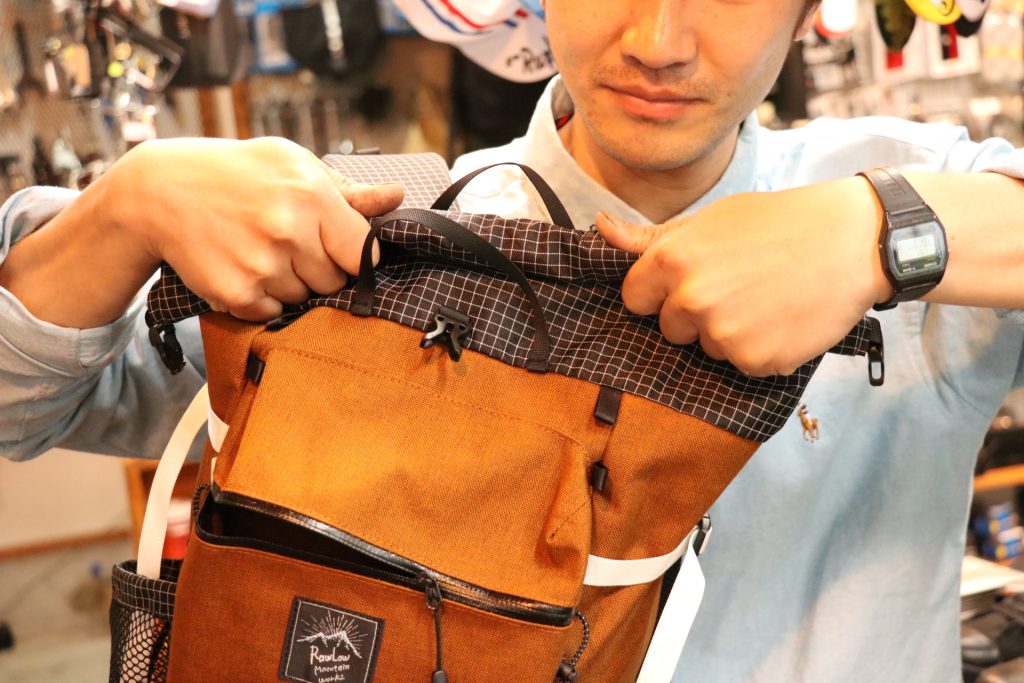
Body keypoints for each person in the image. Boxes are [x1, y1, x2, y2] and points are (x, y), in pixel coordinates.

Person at [2, 0, 1023, 681]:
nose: (660, 40)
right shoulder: (378, 237)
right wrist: (124, 208)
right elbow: (22, 403)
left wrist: (883, 234)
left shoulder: (917, 193)